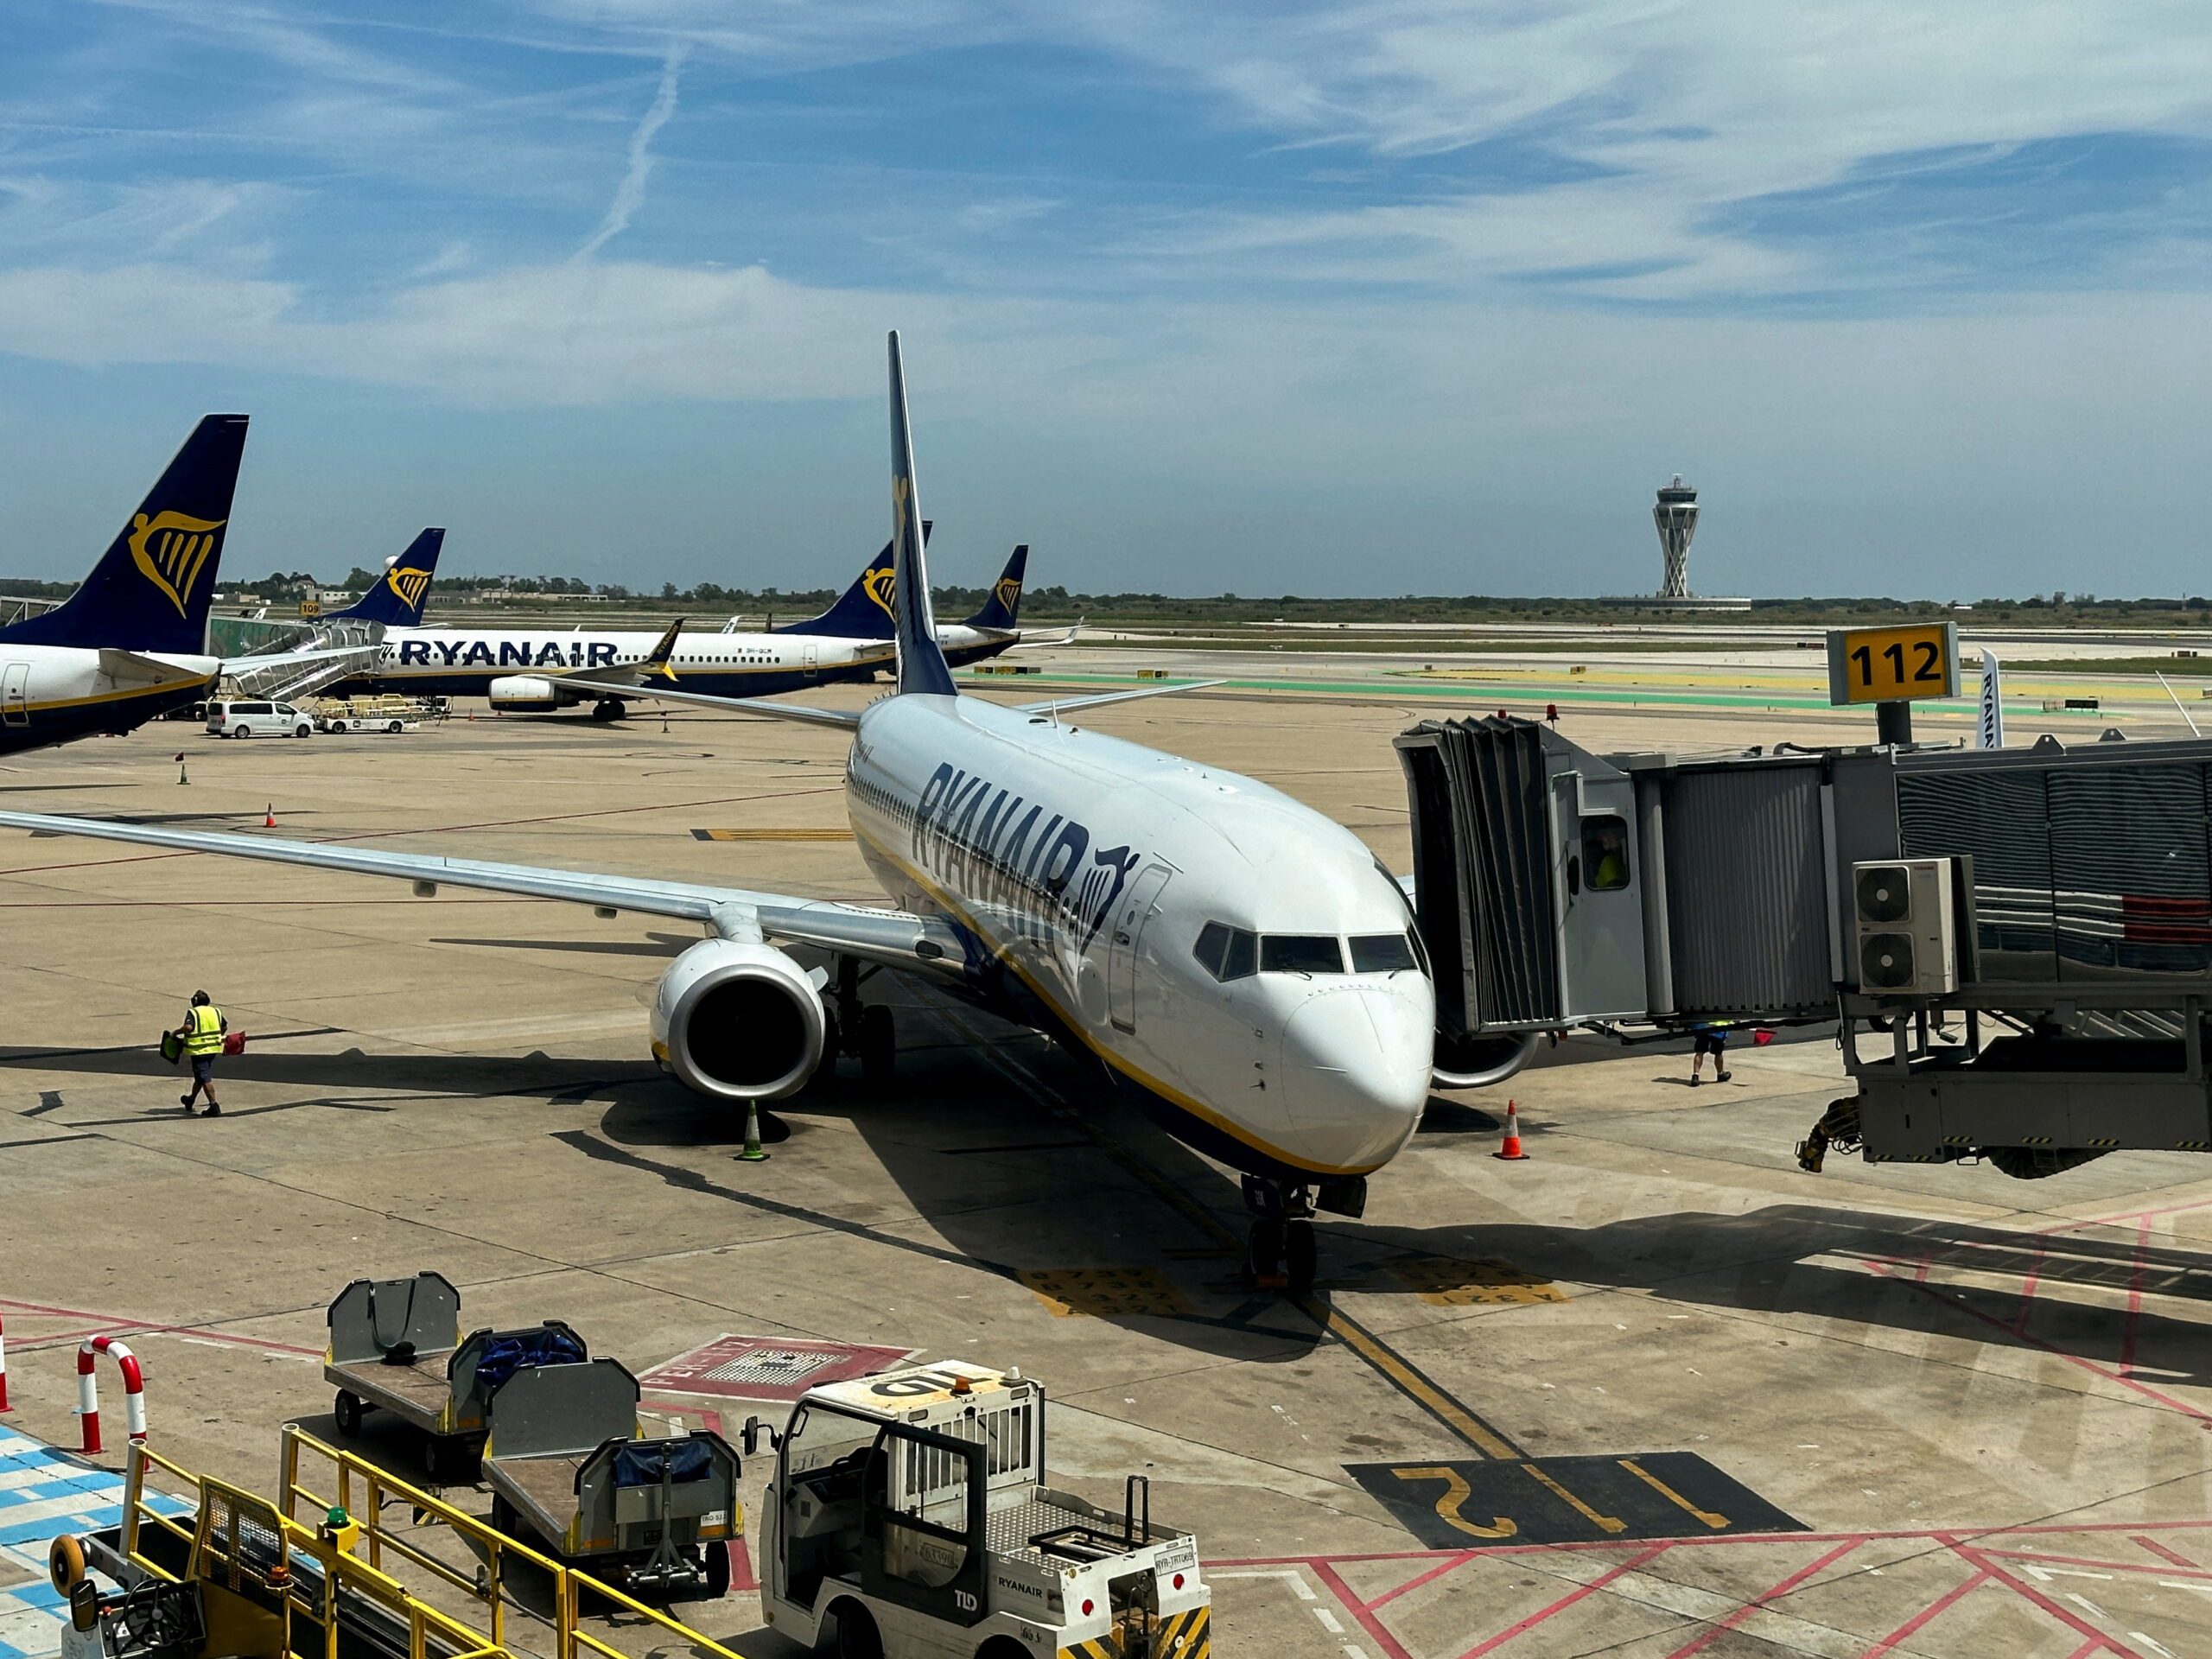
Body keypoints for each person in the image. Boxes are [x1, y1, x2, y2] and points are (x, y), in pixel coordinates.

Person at [175, 989, 226, 1116]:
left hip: (199, 1050)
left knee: (204, 1078)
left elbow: (188, 1028)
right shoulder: (215, 1011)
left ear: (195, 1001)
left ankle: (214, 1105)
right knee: (200, 1076)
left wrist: (176, 1032)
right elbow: (224, 1026)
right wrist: (217, 1036)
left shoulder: (194, 1012)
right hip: (213, 1049)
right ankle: (190, 1099)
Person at [1689, 1020, 1732, 1087]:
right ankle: (1720, 1074)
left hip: (1703, 1026)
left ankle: (1695, 1076)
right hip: (1719, 1028)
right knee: (1718, 1053)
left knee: (1699, 1052)